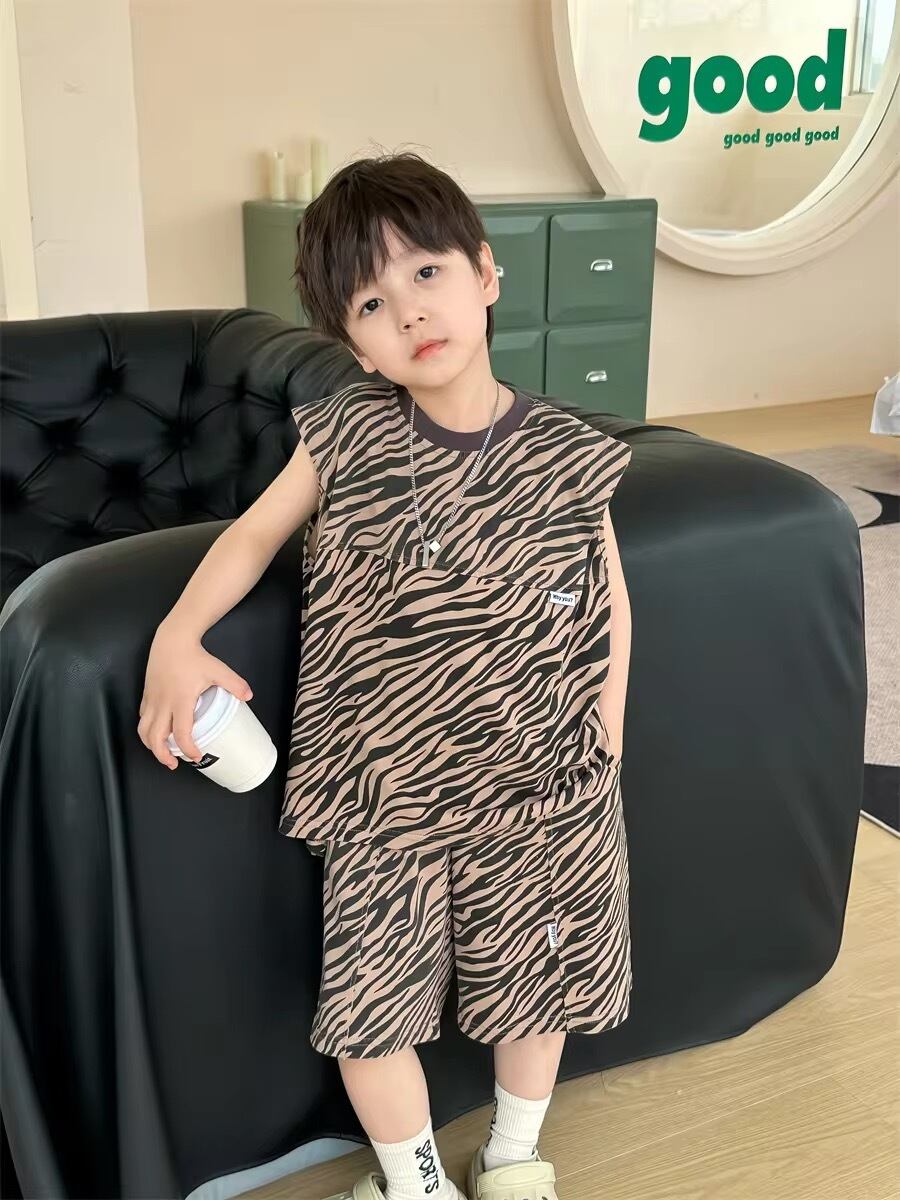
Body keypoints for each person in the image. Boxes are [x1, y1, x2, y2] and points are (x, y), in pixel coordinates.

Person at [138, 151, 634, 1200]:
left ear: (485, 273)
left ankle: (513, 1158)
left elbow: (606, 596)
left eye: (427, 272)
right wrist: (177, 635)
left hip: (541, 785)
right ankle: (417, 1184)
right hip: (381, 794)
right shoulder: (344, 433)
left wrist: (607, 730)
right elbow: (251, 537)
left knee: (536, 987)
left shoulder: (568, 451)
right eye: (370, 301)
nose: (408, 310)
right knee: (370, 1008)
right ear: (351, 342)